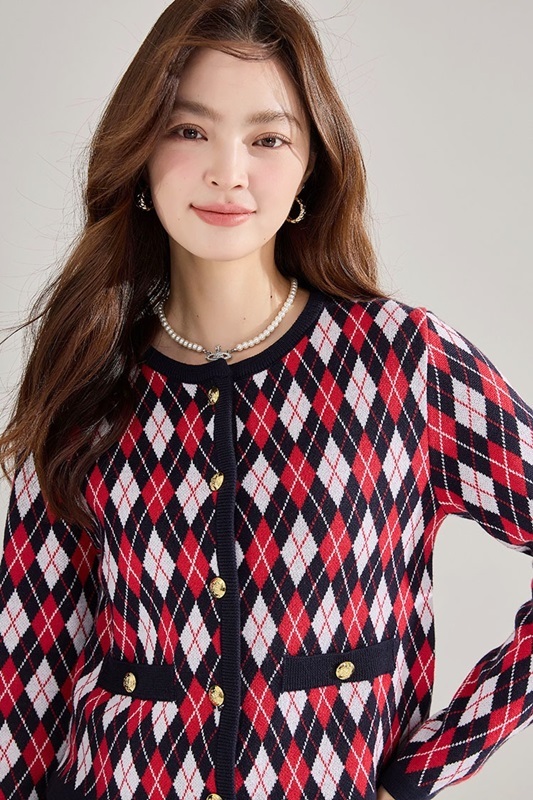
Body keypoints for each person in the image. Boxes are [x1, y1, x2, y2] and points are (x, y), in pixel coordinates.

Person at [0, 1, 531, 799]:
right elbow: (29, 664)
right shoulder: (88, 376)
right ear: (139, 149)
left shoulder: (401, 362)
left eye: (268, 138)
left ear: (312, 163)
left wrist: (427, 765)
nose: (228, 171)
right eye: (188, 130)